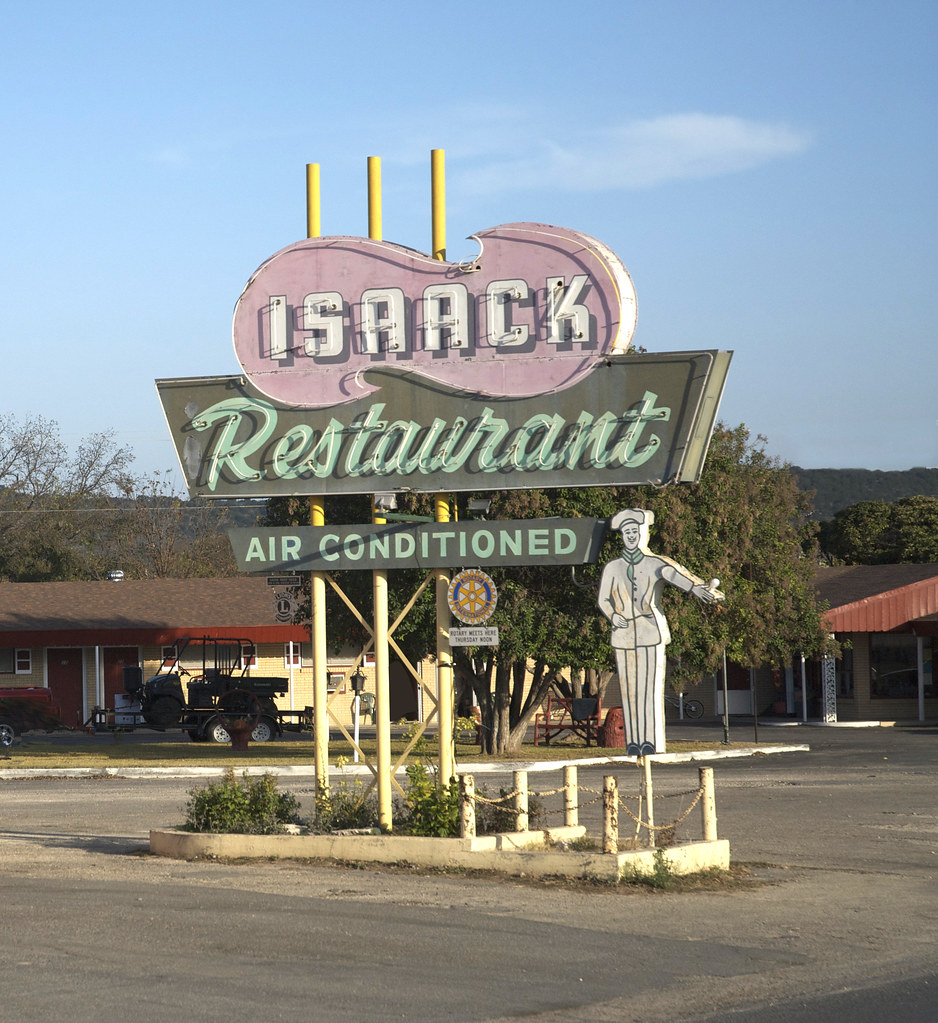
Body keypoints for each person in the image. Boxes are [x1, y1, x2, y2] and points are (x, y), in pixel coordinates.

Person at [598, 508, 723, 756]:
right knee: (629, 690)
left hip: (649, 630)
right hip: (623, 634)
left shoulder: (654, 562)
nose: (631, 536)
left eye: (635, 531)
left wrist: (700, 589)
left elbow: (677, 575)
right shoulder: (613, 567)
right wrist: (614, 616)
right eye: (627, 532)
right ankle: (634, 742)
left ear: (643, 533)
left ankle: (649, 741)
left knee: (649, 689)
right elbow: (604, 599)